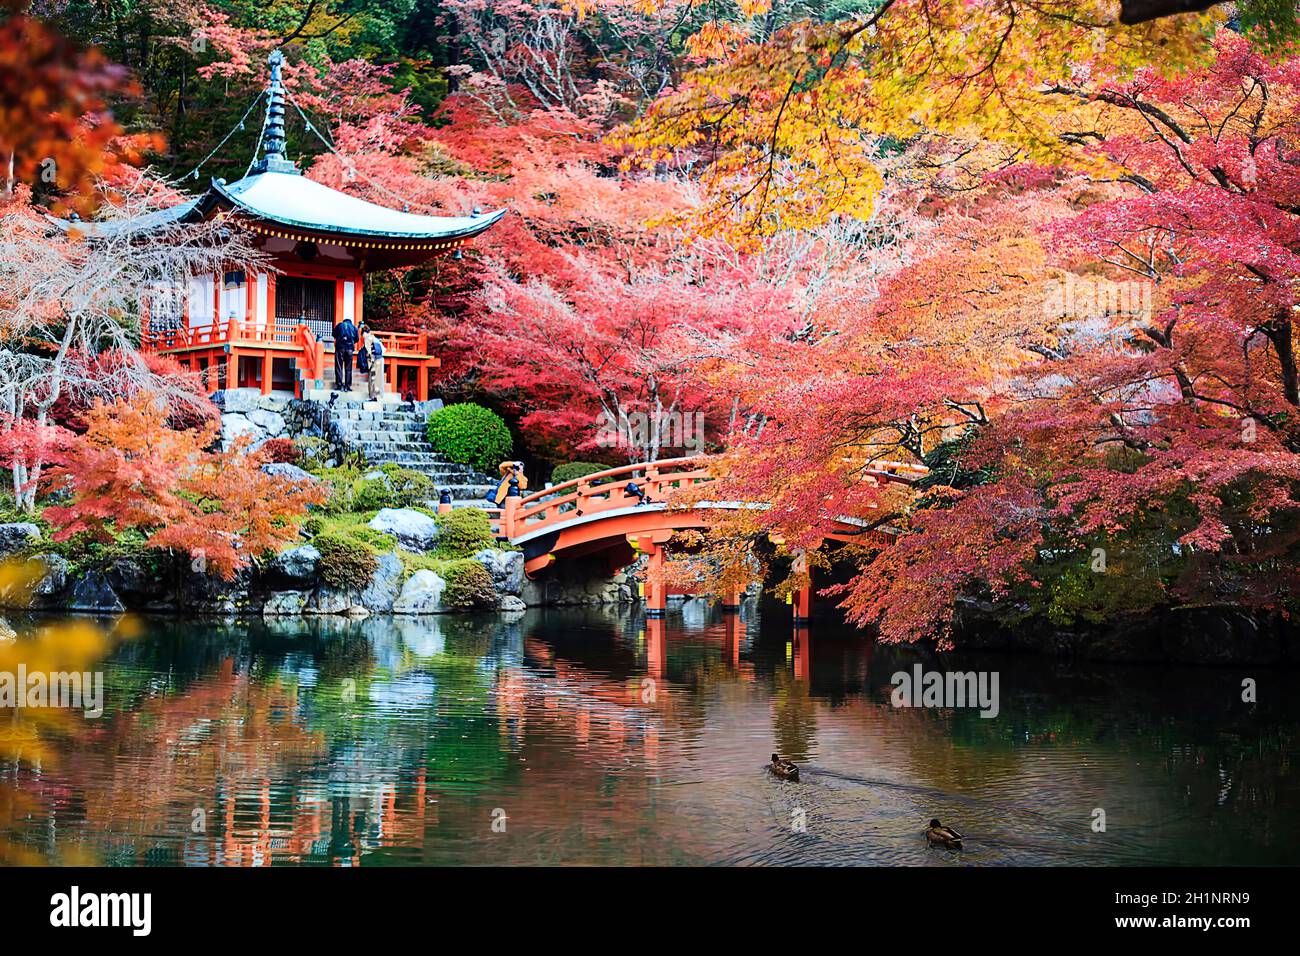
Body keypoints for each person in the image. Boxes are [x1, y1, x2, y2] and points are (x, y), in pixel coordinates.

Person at [332, 316, 358, 390]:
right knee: (348, 368)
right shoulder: (354, 327)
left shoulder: (340, 325)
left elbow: (334, 334)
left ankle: (339, 385)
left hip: (340, 348)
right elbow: (357, 339)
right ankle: (347, 386)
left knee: (339, 366)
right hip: (350, 349)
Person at [361, 324, 385, 400]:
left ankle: (372, 396)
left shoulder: (367, 339)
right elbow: (384, 349)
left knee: (372, 379)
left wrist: (369, 365)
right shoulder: (375, 338)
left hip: (374, 360)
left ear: (364, 333)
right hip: (381, 359)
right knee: (379, 379)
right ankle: (378, 396)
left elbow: (369, 353)